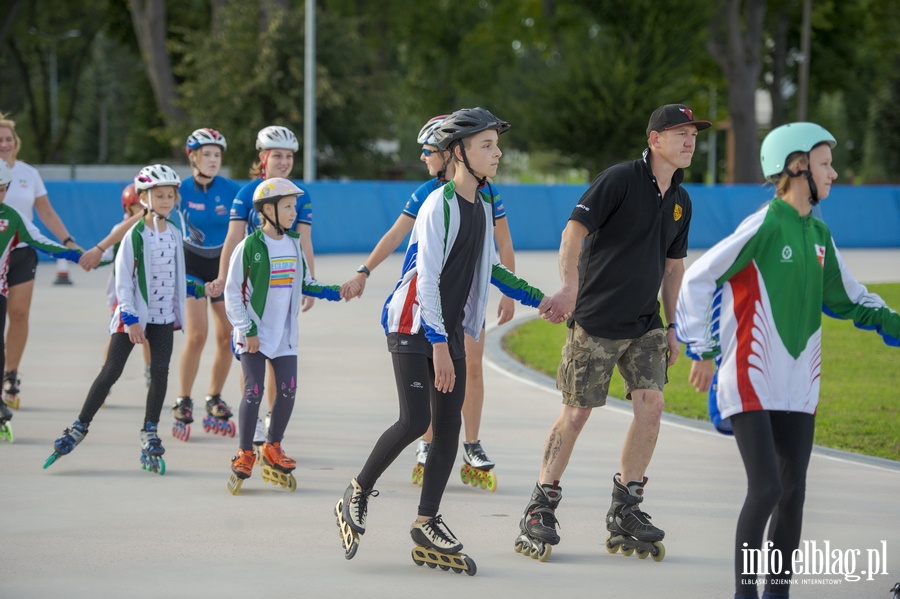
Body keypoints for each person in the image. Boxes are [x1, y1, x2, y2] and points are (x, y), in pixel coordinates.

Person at [675, 122, 900, 599]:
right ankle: (745, 595)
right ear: (797, 168)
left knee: (793, 493)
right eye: (824, 163)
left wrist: (894, 325)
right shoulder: (763, 225)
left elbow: (852, 300)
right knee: (767, 490)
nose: (833, 173)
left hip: (799, 385)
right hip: (751, 379)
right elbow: (699, 277)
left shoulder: (820, 234)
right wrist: (703, 349)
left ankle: (777, 594)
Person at [334, 108, 546, 573]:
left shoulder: (483, 204)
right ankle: (357, 491)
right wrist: (438, 346)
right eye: (487, 145)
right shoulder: (439, 204)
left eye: (496, 144)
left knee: (448, 427)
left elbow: (490, 269)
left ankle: (426, 521)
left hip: (444, 328)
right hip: (413, 324)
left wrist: (541, 299)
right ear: (458, 153)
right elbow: (426, 278)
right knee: (415, 421)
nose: (498, 153)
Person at [517, 104, 711, 562]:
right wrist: (569, 287)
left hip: (644, 323)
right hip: (598, 318)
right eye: (679, 133)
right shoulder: (620, 179)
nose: (689, 141)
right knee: (577, 413)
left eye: (693, 134)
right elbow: (573, 231)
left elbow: (673, 266)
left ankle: (627, 507)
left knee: (652, 405)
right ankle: (540, 504)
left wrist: (674, 326)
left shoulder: (682, 200)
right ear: (654, 139)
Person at [340, 115, 517, 491]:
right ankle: (425, 442)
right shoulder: (429, 196)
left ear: (446, 152)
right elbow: (394, 236)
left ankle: (471, 441)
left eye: (427, 152)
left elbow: (502, 247)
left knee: (471, 365)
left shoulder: (486, 194)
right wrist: (364, 271)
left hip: (465, 299)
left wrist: (509, 292)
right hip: (426, 304)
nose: (423, 159)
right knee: (436, 375)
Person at [44, 165, 210, 474]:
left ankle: (150, 429)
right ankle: (80, 425)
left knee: (160, 372)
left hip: (162, 316)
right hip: (132, 316)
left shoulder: (174, 232)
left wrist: (202, 288)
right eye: (158, 195)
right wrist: (131, 319)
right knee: (111, 372)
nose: (165, 201)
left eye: (170, 196)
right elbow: (123, 281)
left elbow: (176, 277)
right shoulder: (135, 234)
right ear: (144, 198)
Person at [224, 178, 345, 494]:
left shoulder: (293, 244)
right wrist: (247, 329)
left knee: (288, 390)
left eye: (295, 205)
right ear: (267, 209)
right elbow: (232, 293)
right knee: (254, 391)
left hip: (285, 335)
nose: (294, 212)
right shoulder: (248, 247)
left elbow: (306, 282)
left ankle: (273, 445)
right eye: (288, 206)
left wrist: (336, 291)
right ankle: (245, 451)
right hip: (255, 335)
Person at [211, 125, 314, 442]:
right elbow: (232, 238)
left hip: (282, 286)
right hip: (253, 286)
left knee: (280, 355)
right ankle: (252, 420)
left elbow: (305, 241)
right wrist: (223, 277)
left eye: (289, 157)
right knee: (253, 359)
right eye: (277, 156)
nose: (284, 162)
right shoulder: (247, 194)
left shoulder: (300, 195)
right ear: (263, 158)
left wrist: (309, 282)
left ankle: (272, 423)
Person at [0, 114, 84, 409]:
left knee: (19, 314)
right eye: (0, 140)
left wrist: (68, 242)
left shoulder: (28, 173)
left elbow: (46, 212)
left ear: (16, 142)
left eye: (8, 139)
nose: (5, 144)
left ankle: (11, 374)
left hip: (22, 252)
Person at [170, 129, 242, 438]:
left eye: (217, 155)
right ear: (193, 157)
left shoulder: (233, 189)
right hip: (191, 266)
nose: (213, 160)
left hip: (221, 265)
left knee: (227, 335)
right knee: (198, 334)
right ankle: (183, 400)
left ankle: (213, 397)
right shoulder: (179, 190)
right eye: (207, 154)